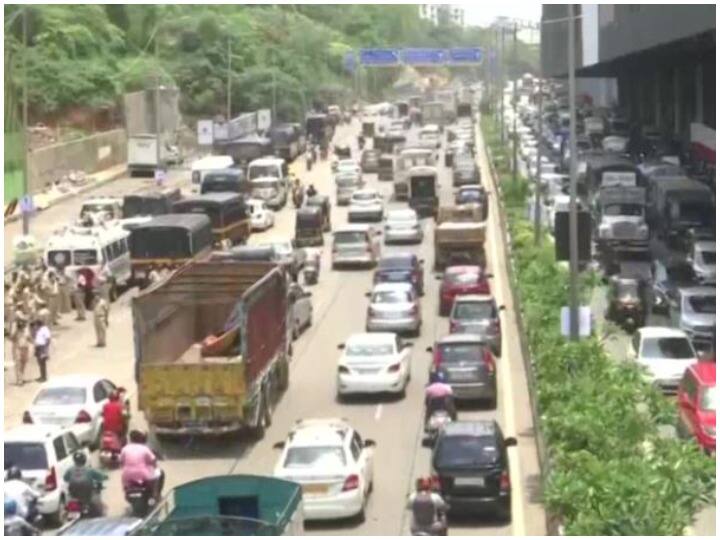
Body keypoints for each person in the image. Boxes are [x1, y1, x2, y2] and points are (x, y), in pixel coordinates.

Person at [120, 430, 164, 501]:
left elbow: (121, 462)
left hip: (127, 475)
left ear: (130, 439)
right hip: (143, 475)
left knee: (124, 476)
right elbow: (153, 461)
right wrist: (155, 467)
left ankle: (126, 490)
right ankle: (155, 493)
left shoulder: (125, 449)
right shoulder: (145, 448)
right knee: (159, 472)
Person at [63, 451, 107, 517]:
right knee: (99, 509)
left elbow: (65, 478)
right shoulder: (89, 470)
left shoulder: (70, 470)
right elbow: (101, 476)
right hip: (87, 496)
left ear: (74, 460)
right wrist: (105, 476)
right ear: (84, 460)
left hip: (74, 495)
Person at [12, 317, 31, 386]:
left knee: (23, 363)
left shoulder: (26, 330)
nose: (21, 325)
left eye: (23, 323)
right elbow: (12, 338)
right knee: (18, 364)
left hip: (25, 348)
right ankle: (19, 380)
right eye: (20, 324)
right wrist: (15, 330)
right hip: (17, 348)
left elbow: (29, 338)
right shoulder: (15, 331)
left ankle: (21, 377)